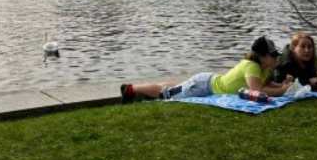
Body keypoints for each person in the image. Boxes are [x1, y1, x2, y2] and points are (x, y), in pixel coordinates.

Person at [120, 36, 292, 103]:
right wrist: (283, 90)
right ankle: (130, 89)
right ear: (262, 56)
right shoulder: (252, 66)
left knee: (174, 88)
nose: (276, 58)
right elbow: (258, 91)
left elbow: (267, 84)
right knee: (166, 94)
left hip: (207, 83)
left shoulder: (264, 68)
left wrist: (282, 85)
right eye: (272, 55)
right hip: (203, 86)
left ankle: (139, 91)